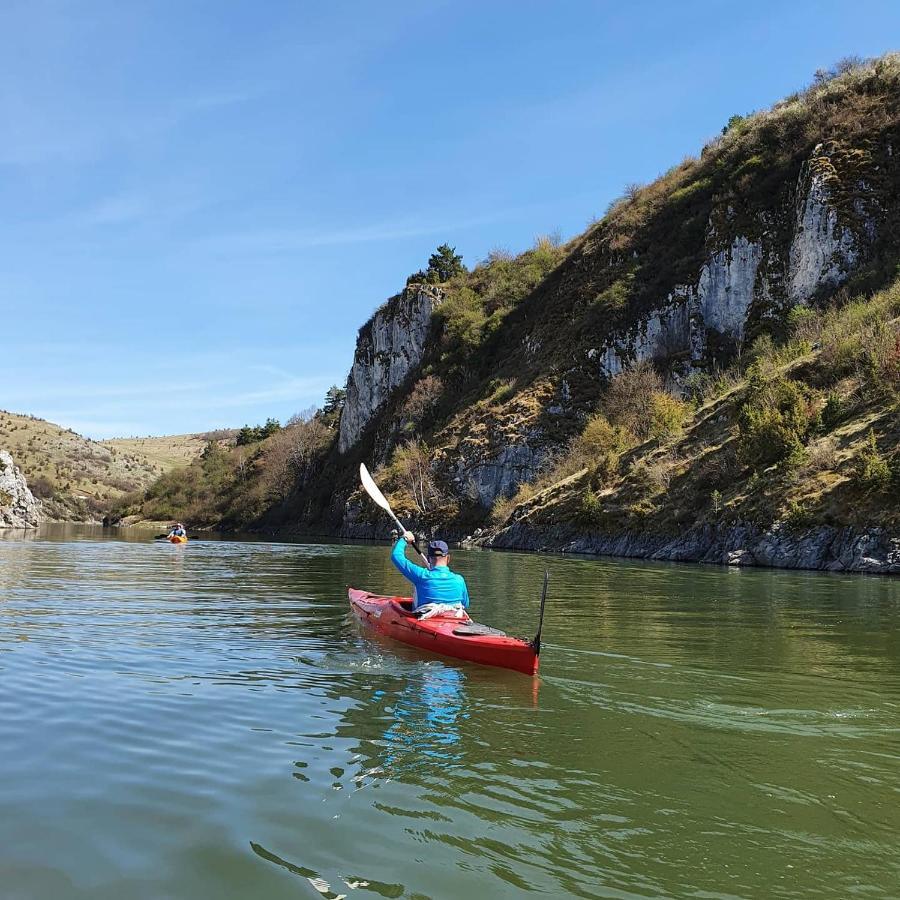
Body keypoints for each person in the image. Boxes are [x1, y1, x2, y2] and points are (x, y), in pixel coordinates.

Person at [391, 530, 470, 617]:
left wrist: (404, 539)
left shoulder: (421, 575)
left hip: (424, 619)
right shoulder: (459, 580)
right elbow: (465, 604)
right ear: (448, 558)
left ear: (428, 558)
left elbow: (396, 556)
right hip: (453, 619)